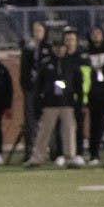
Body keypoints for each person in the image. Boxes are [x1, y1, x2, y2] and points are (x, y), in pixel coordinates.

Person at [27, 36, 84, 168]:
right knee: (44, 132)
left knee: (69, 131)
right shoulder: (46, 63)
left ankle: (70, 158)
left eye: (62, 47)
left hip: (67, 103)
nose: (59, 50)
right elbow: (38, 85)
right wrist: (38, 102)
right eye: (57, 47)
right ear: (53, 48)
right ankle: (37, 158)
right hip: (50, 103)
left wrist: (78, 102)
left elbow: (78, 84)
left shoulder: (72, 63)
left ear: (65, 48)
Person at [19, 21, 52, 162]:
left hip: (46, 89)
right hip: (31, 89)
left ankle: (53, 151)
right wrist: (26, 85)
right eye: (35, 30)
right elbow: (24, 70)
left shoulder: (49, 48)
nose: (37, 33)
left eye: (40, 30)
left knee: (49, 120)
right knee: (30, 122)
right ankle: (30, 152)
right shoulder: (28, 49)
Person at [84, 26, 104, 165]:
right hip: (94, 94)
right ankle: (94, 155)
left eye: (99, 33)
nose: (96, 36)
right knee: (95, 126)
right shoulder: (86, 52)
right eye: (93, 33)